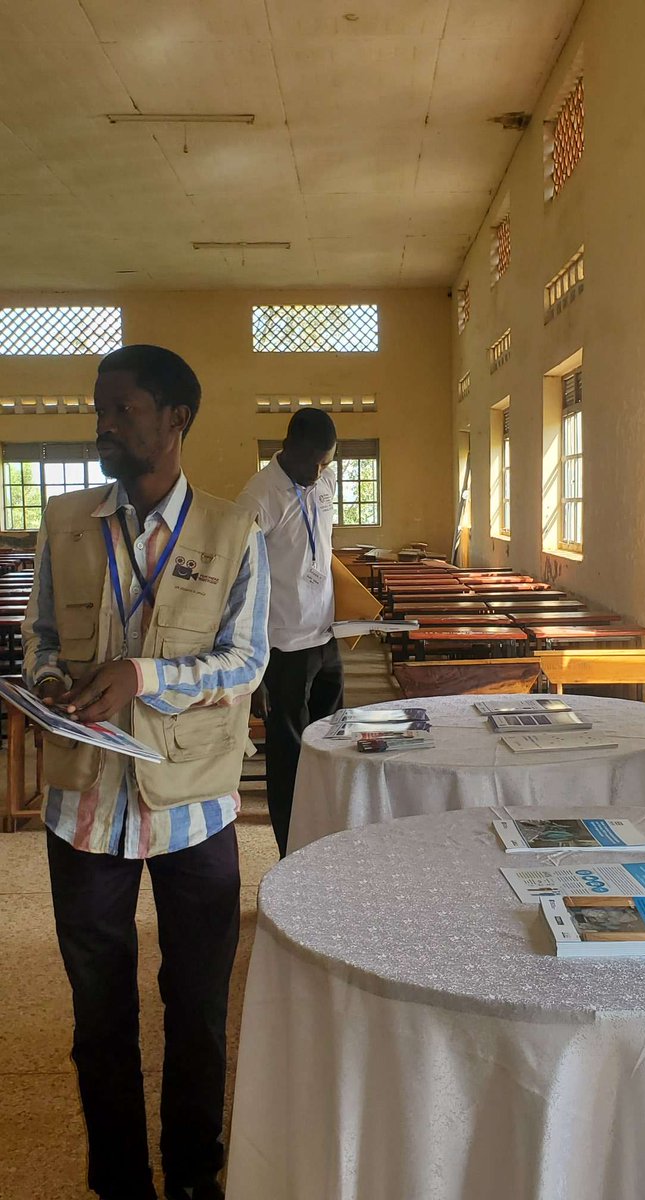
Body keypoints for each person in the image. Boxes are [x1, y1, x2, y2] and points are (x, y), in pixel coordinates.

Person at [22, 344, 270, 1200]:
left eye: (122, 410)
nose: (103, 426)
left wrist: (143, 676)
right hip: (85, 805)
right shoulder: (66, 522)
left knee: (196, 1006)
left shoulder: (234, 531)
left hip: (192, 805)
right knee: (99, 1013)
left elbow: (246, 661)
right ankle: (120, 1180)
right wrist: (48, 683)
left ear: (175, 419)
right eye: (99, 410)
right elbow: (41, 638)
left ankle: (194, 1173)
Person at [237, 408, 343, 856]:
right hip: (281, 649)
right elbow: (240, 584)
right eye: (311, 462)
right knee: (289, 761)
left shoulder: (324, 481)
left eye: (325, 462)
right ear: (288, 447)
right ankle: (292, 854)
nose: (318, 472)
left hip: (326, 638)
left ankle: (328, 843)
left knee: (333, 745)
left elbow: (321, 552)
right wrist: (254, 669)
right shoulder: (258, 497)